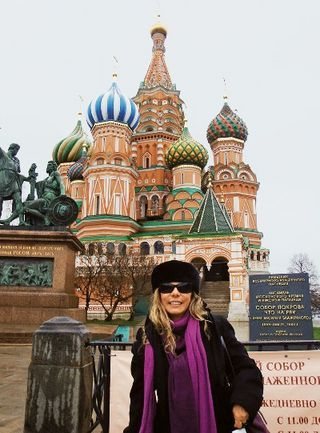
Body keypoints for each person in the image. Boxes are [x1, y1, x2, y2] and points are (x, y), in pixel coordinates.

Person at [124, 260, 263, 433]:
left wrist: (242, 403)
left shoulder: (214, 328)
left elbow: (246, 369)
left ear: (193, 294)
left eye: (183, 287)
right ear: (159, 295)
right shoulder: (147, 338)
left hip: (217, 422)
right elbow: (140, 393)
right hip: (168, 426)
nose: (175, 293)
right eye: (167, 288)